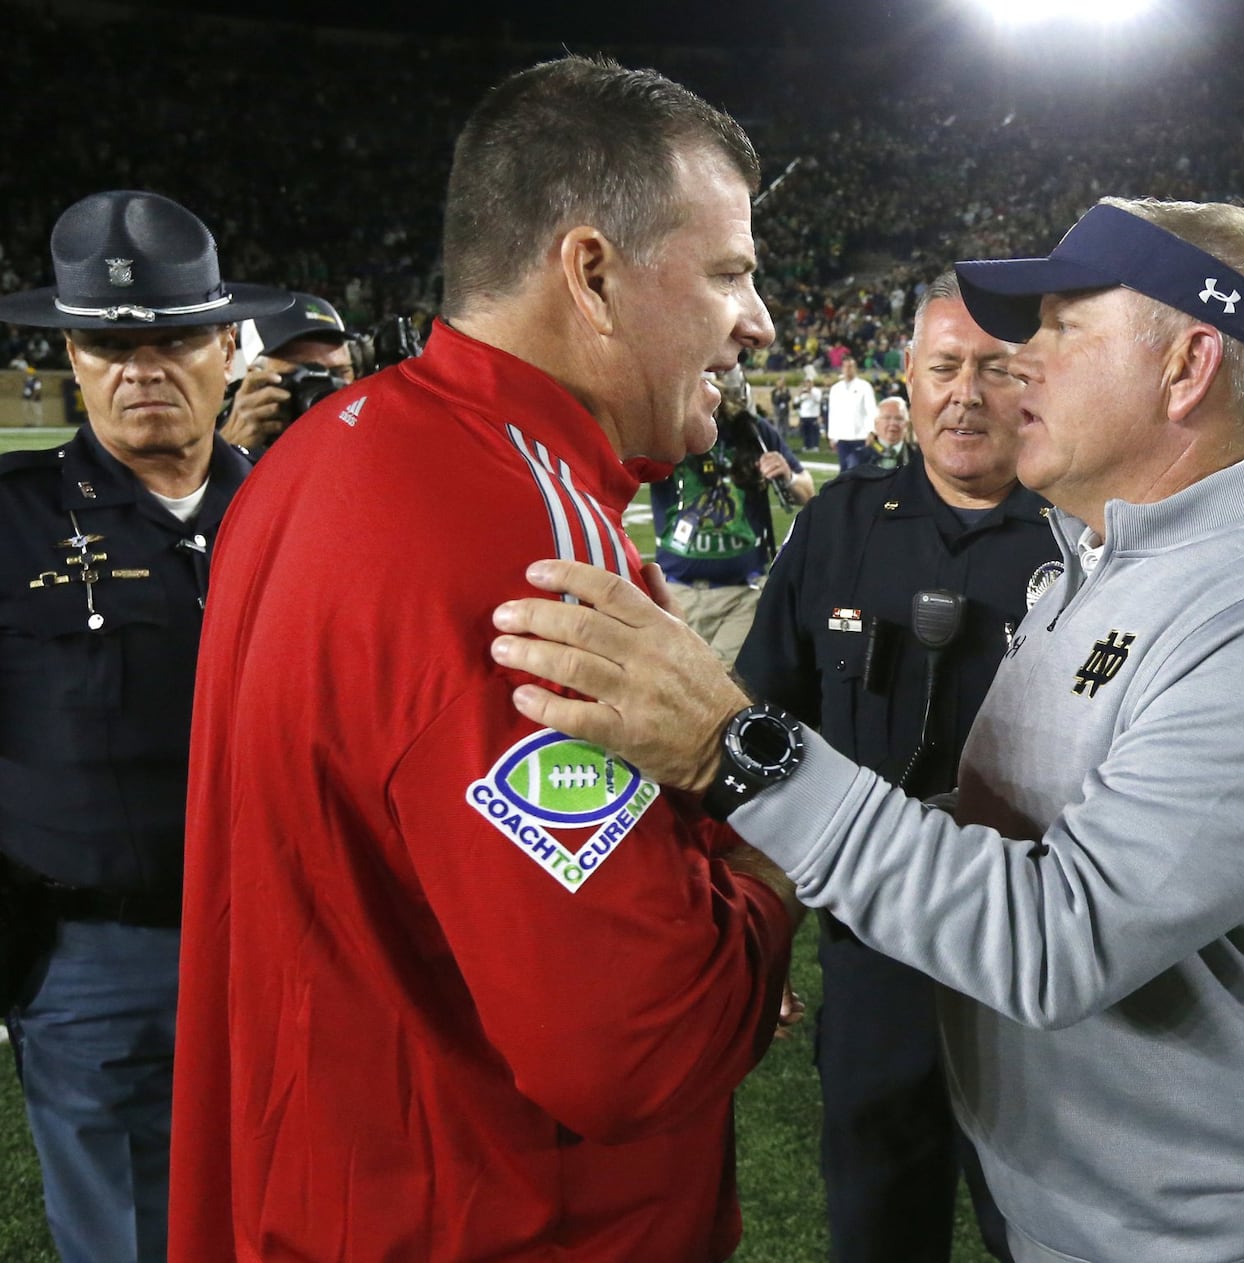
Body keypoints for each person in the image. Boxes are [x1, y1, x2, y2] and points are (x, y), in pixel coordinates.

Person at [490, 196, 1244, 1263]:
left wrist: (741, 752)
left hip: (1208, 1240)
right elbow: (1009, 834)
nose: (1023, 366)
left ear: (1187, 366)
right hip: (1075, 1213)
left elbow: (1056, 942)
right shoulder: (1102, 566)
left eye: (1061, 330)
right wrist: (771, 865)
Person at [168, 56, 802, 1263]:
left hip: (330, 1187)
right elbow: (632, 1042)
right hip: (500, 1215)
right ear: (593, 274)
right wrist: (767, 884)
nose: (755, 320)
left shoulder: (323, 454)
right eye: (729, 272)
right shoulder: (534, 540)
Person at [735, 272, 1054, 1263]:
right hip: (875, 958)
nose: (966, 393)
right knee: (876, 1227)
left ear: (1036, 385)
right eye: (945, 366)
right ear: (906, 379)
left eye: (996, 371)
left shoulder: (1092, 535)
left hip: (1043, 969)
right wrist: (760, 933)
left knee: (1051, 1230)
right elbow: (763, 721)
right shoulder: (840, 524)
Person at [0, 189, 291, 1263]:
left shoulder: (299, 511)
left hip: (294, 949)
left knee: (299, 1214)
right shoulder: (10, 519)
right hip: (94, 963)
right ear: (71, 360)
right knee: (128, 1239)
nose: (140, 369)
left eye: (171, 339)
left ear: (227, 346)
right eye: (105, 345)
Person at [652, 366, 814, 667]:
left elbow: (807, 492)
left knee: (726, 691)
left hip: (742, 595)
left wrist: (788, 476)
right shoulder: (662, 429)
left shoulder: (754, 432)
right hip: (676, 592)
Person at [218, 290, 359, 453]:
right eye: (306, 375)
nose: (326, 389)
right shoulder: (209, 438)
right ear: (255, 377)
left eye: (340, 372)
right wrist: (230, 454)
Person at [828, 354, 877, 470]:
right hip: (842, 437)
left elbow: (871, 410)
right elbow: (833, 413)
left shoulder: (865, 386)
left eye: (851, 366)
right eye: (846, 366)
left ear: (855, 368)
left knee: (856, 469)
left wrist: (871, 431)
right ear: (842, 368)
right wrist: (832, 436)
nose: (848, 369)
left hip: (860, 436)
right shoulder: (835, 389)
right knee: (844, 470)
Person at [862, 394, 912, 469]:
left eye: (899, 418)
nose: (893, 423)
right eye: (887, 418)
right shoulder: (857, 459)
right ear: (876, 423)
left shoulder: (921, 460)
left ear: (907, 425)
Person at [797, 369, 824, 451]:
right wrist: (800, 394)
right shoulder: (803, 391)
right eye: (807, 382)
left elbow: (818, 400)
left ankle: (815, 446)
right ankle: (806, 445)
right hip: (804, 415)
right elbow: (798, 402)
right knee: (806, 432)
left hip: (813, 414)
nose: (808, 384)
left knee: (814, 431)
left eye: (809, 382)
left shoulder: (817, 391)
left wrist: (810, 393)